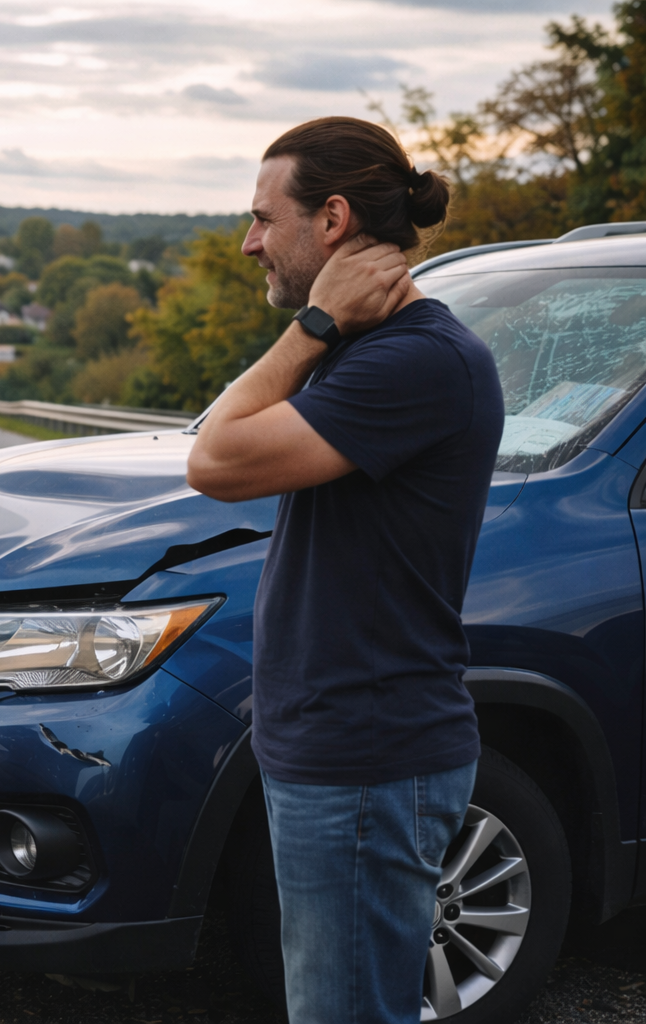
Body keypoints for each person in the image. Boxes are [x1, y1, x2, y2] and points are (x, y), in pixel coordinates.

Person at [186, 117, 503, 1024]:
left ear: (330, 219)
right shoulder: (359, 354)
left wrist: (315, 324)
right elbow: (217, 431)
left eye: (261, 218)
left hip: (367, 760)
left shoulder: (415, 363)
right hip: (335, 752)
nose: (249, 242)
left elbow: (212, 464)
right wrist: (320, 334)